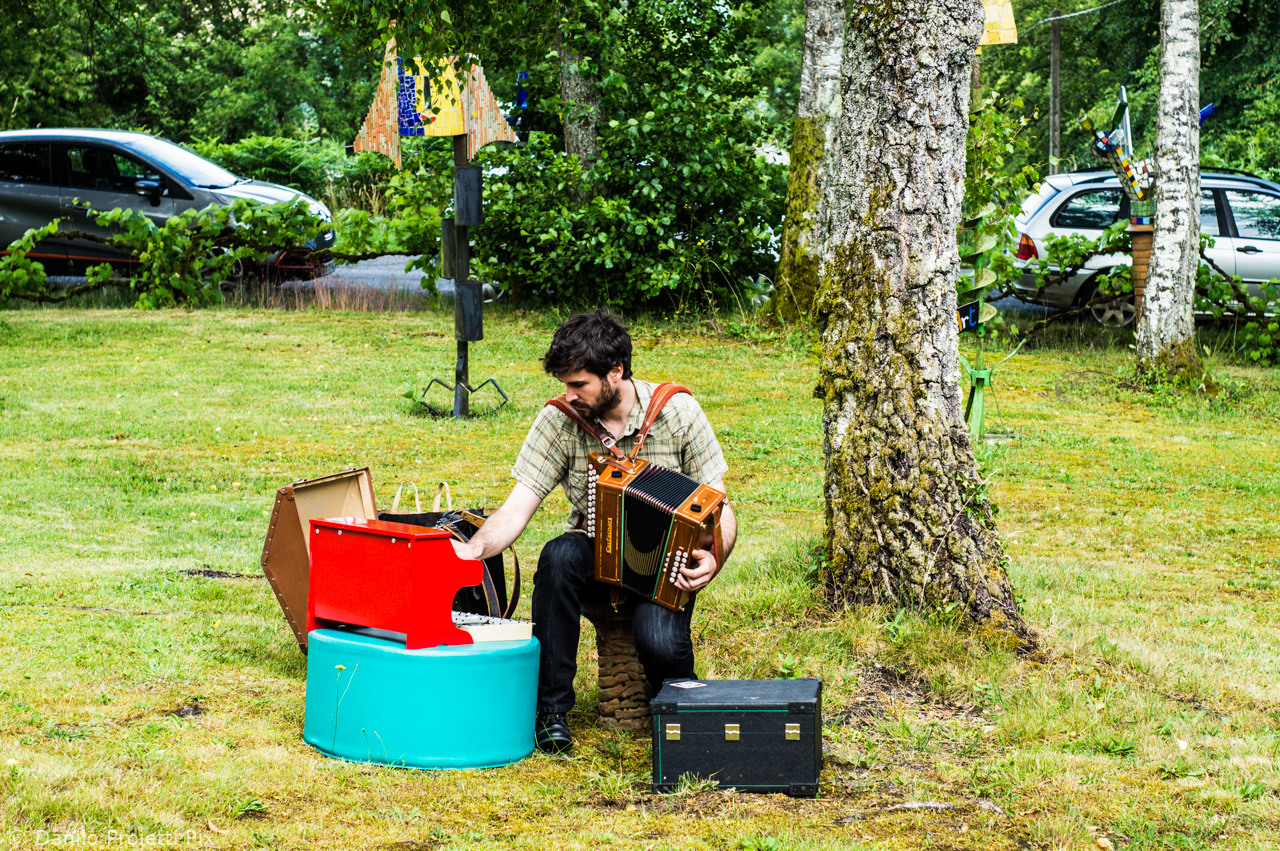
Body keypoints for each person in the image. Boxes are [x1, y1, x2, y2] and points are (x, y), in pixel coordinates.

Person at [451, 310, 737, 753]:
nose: (569, 395)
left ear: (615, 371)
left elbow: (721, 508)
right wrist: (471, 551)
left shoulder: (677, 411)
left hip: (665, 565)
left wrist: (713, 558)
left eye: (579, 384)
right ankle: (550, 712)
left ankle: (680, 708)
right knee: (558, 555)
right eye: (565, 384)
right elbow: (516, 509)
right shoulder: (559, 420)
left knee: (660, 642)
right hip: (593, 555)